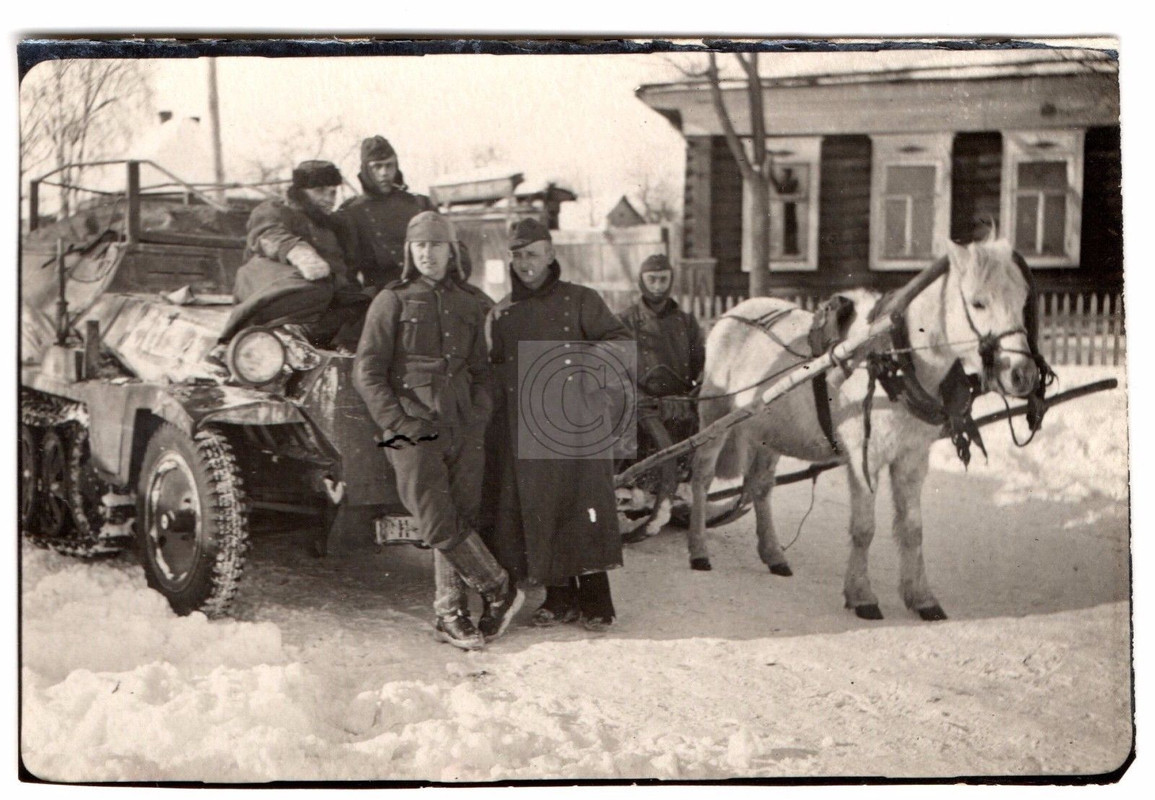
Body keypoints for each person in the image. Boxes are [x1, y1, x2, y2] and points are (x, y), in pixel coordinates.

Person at [353, 211, 523, 650]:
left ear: (452, 251)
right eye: (420, 246)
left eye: (437, 245)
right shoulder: (390, 301)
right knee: (433, 518)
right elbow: (367, 370)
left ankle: (451, 612)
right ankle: (499, 586)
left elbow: (484, 370)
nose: (428, 254)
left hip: (463, 425)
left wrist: (480, 413)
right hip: (410, 425)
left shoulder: (473, 302)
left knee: (461, 515)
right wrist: (398, 422)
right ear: (410, 252)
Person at [483, 218, 631, 633]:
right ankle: (560, 599)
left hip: (576, 423)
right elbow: (494, 371)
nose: (524, 263)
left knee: (582, 507)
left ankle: (598, 603)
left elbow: (619, 341)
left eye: (532, 254)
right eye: (517, 255)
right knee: (541, 510)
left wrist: (578, 374)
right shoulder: (502, 313)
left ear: (550, 256)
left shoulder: (581, 300)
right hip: (526, 426)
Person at [219, 160, 369, 349]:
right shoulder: (278, 210)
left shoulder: (330, 226)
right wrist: (298, 252)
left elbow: (343, 270)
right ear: (301, 192)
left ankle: (303, 337)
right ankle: (264, 334)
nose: (328, 199)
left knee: (361, 304)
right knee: (319, 286)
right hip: (267, 290)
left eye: (332, 192)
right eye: (319, 191)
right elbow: (267, 234)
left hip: (313, 301)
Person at [616, 254, 706, 542]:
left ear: (671, 280)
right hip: (639, 405)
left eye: (663, 279)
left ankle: (683, 490)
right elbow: (616, 369)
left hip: (679, 401)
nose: (657, 286)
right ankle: (628, 495)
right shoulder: (625, 321)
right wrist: (643, 399)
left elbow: (701, 364)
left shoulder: (686, 322)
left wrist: (690, 396)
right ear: (641, 281)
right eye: (651, 279)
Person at [335, 136, 435, 296]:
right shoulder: (352, 213)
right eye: (377, 167)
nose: (384, 173)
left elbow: (454, 253)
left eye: (390, 165)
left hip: (428, 291)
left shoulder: (420, 204)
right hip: (381, 297)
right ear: (366, 169)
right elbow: (347, 273)